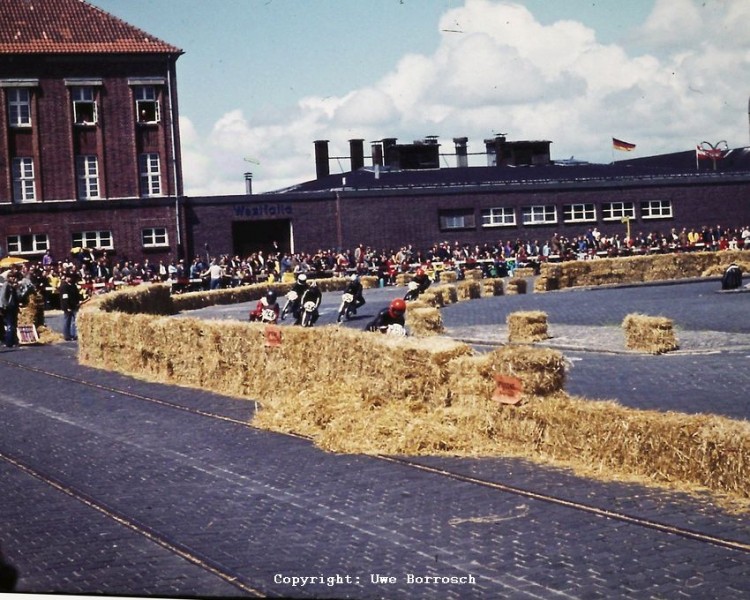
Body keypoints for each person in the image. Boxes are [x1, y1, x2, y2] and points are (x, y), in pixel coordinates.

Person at [59, 271, 82, 340]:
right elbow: (64, 298)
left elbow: (77, 294)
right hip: (68, 306)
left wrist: (80, 300)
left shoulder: (73, 285)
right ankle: (67, 335)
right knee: (67, 321)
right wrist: (67, 307)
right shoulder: (64, 286)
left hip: (75, 305)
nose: (71, 278)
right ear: (66, 278)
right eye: (69, 277)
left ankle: (74, 334)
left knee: (75, 321)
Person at [0, 272, 20, 348]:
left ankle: (13, 340)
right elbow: (2, 297)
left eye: (14, 276)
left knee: (13, 325)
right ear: (8, 277)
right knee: (10, 325)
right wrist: (2, 307)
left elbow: (19, 296)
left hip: (14, 307)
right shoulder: (6, 285)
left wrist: (17, 288)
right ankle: (9, 342)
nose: (13, 278)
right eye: (11, 277)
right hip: (8, 308)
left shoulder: (13, 286)